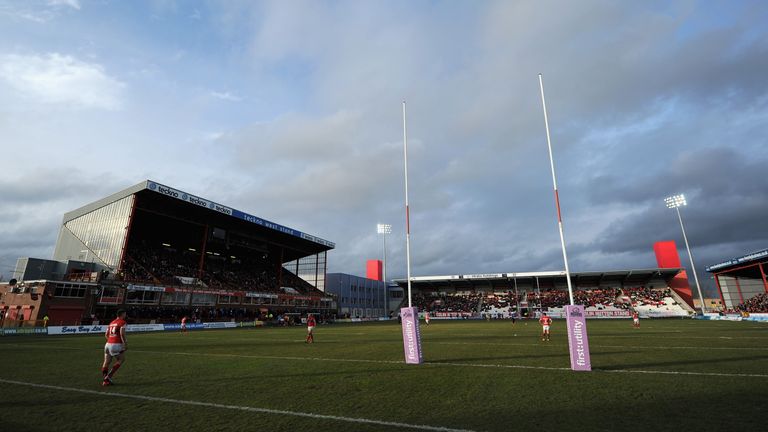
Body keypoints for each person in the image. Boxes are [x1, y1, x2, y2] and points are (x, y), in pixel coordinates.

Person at [101, 309, 128, 386]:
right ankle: (108, 377)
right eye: (125, 314)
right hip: (116, 344)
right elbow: (122, 334)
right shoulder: (122, 322)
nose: (125, 315)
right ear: (122, 314)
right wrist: (125, 343)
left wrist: (110, 340)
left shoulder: (111, 323)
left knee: (106, 362)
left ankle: (105, 380)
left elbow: (106, 334)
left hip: (107, 344)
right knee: (121, 359)